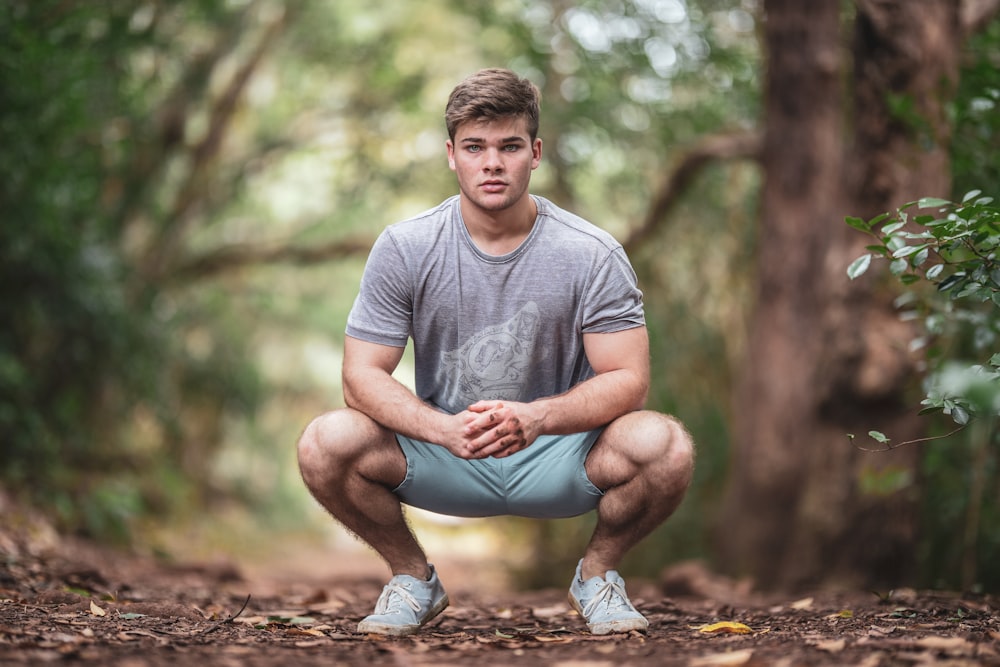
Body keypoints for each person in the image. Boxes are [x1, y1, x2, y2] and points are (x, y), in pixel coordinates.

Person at [296, 68, 695, 637]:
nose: (492, 163)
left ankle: (598, 576)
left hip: (561, 453)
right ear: (450, 155)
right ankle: (413, 579)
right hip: (446, 451)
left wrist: (539, 416)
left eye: (509, 146)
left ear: (534, 153)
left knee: (666, 446)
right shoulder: (405, 247)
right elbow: (361, 377)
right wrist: (441, 429)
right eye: (475, 147)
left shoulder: (592, 253)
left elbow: (628, 379)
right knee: (325, 441)